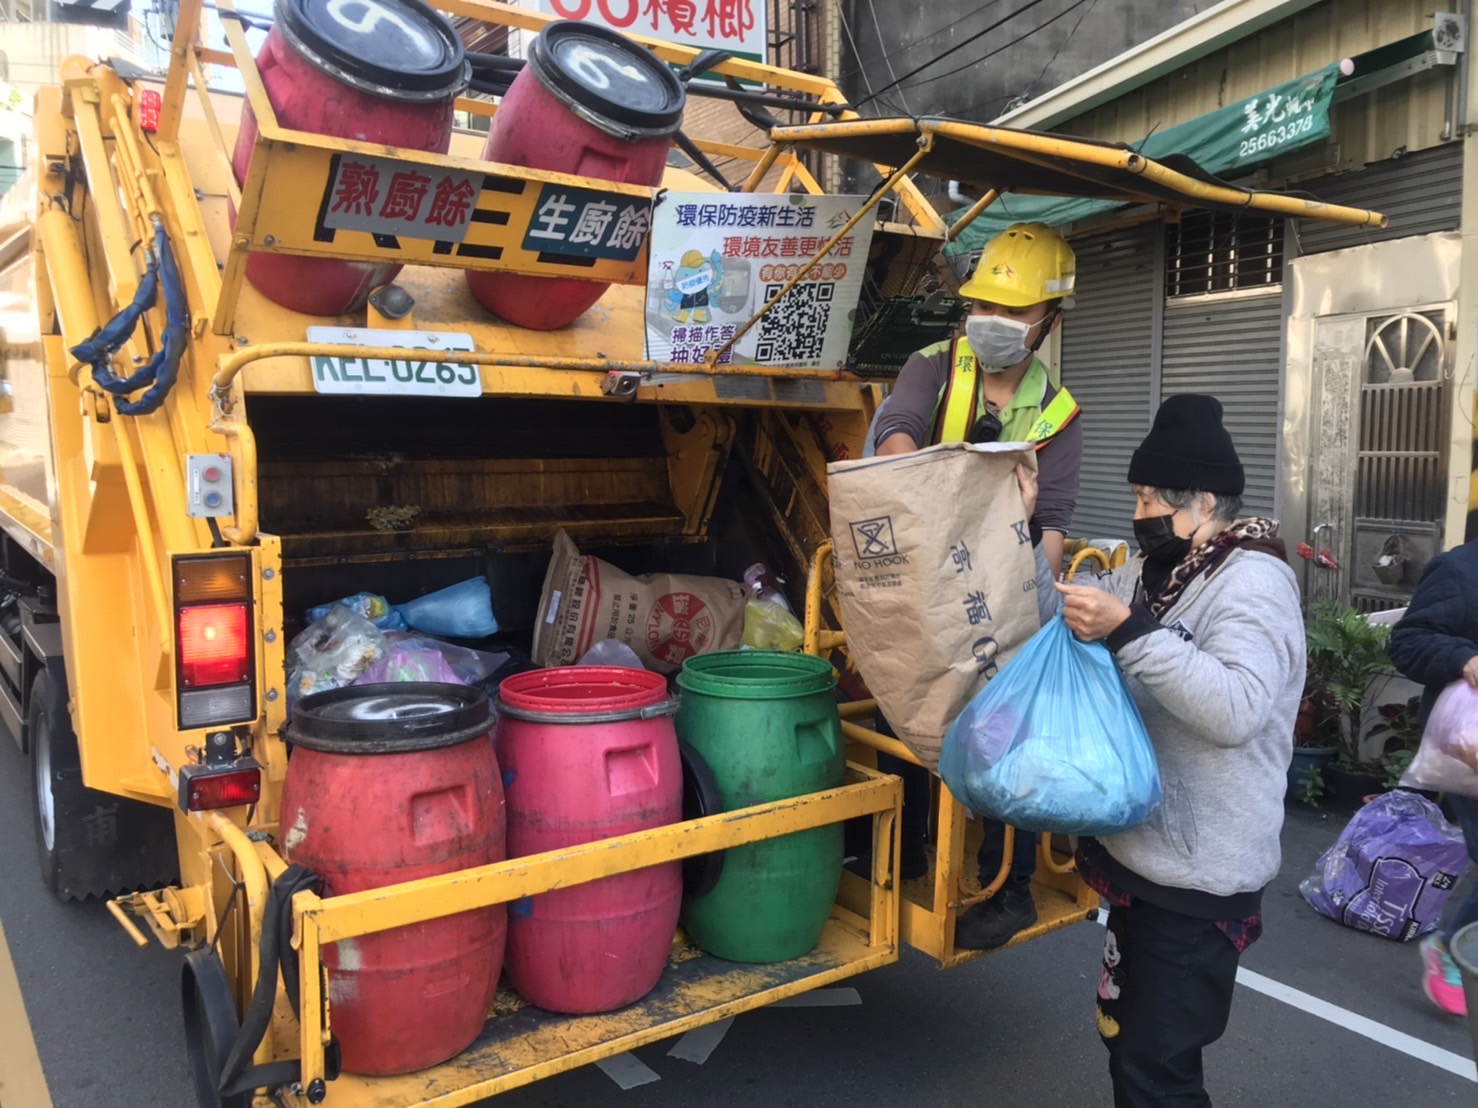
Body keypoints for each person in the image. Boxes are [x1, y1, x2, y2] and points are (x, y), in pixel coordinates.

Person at [1022, 393, 1302, 1108]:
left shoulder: (1252, 581)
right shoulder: (1156, 575)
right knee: (1128, 1040)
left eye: (1152, 497)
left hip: (1201, 875)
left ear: (1203, 501)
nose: (1140, 510)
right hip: (1147, 859)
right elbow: (1050, 606)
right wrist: (1024, 527)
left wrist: (1130, 634)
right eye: (1138, 494)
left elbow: (1237, 708)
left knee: (1157, 1066)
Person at [855, 222, 1085, 950]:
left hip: (1003, 582)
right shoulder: (932, 367)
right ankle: (915, 849)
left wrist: (1027, 602)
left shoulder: (1059, 414)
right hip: (920, 572)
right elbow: (894, 433)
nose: (996, 324)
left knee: (1009, 724)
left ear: (1050, 321)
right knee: (913, 710)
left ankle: (1007, 885)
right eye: (986, 306)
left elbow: (1049, 535)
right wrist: (927, 472)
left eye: (1016, 313)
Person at [1387, 541, 1478, 1017]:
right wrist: (1465, 658)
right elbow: (1407, 642)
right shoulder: (1460, 570)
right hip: (1472, 744)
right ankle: (1451, 950)